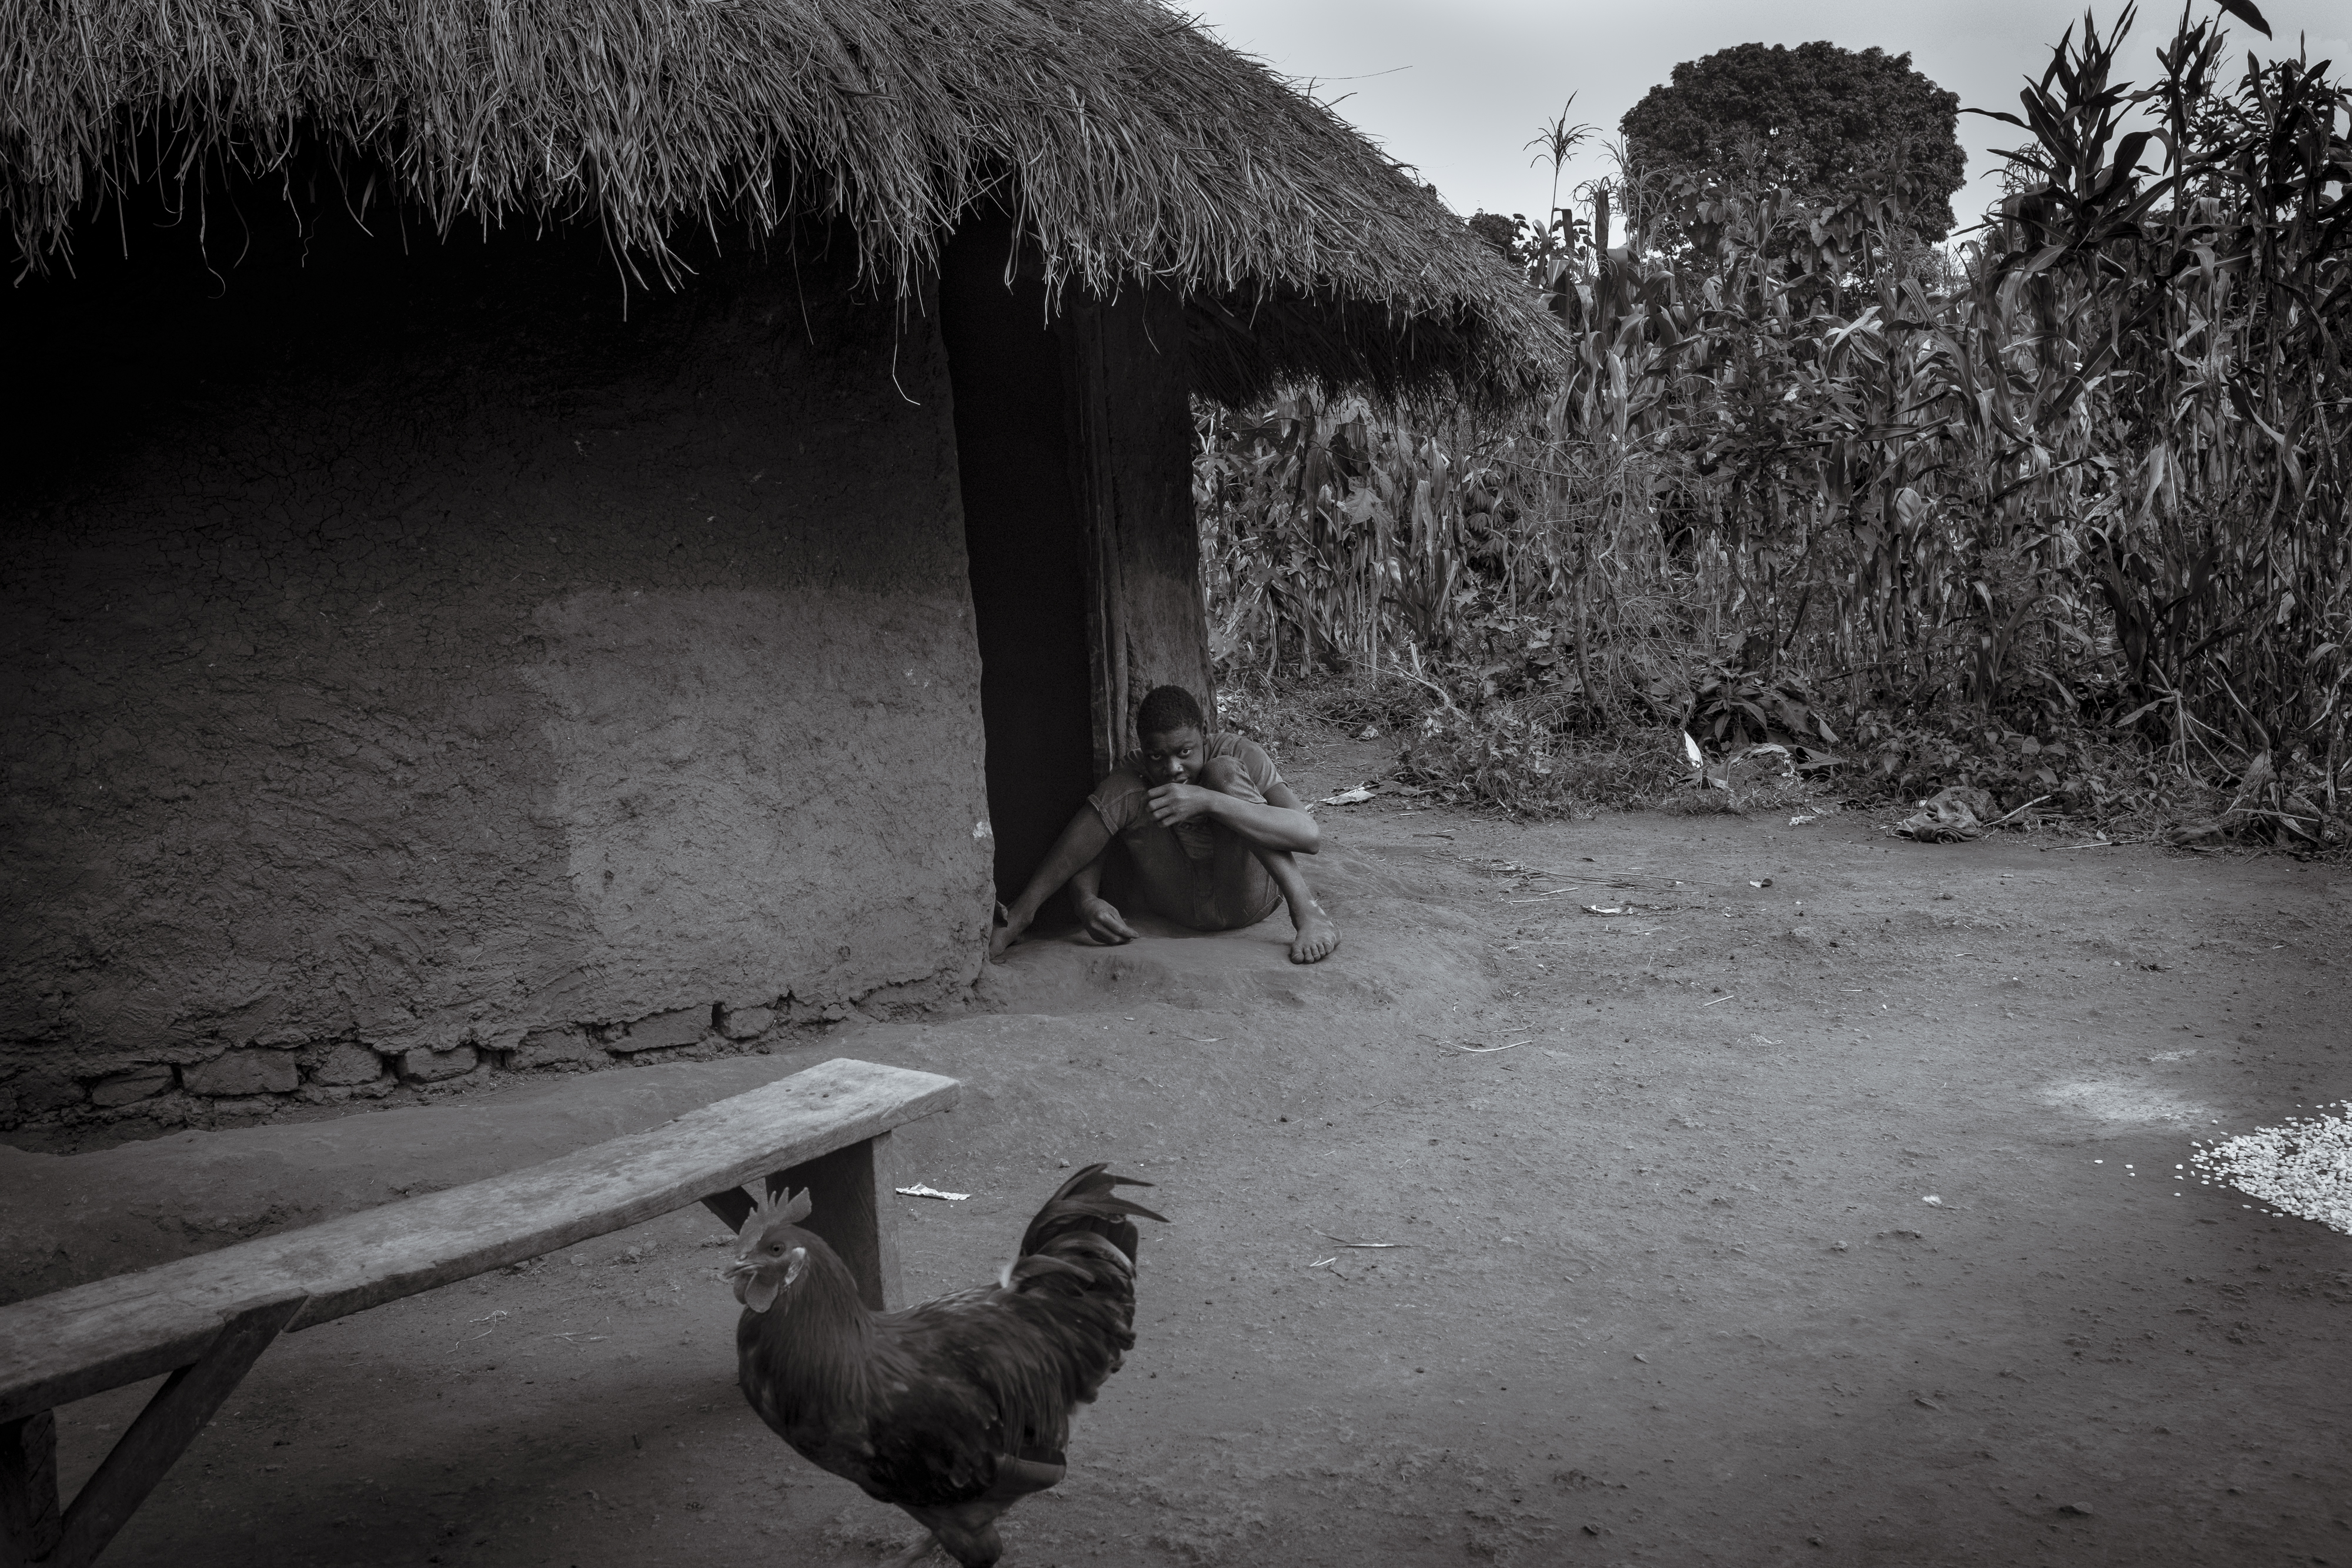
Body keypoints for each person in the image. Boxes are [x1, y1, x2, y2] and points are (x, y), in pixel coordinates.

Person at [988, 685, 1341, 965]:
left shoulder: (1239, 751)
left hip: (1245, 898)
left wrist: (1209, 801)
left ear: (1203, 733)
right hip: (1178, 904)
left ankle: (1308, 913)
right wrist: (1084, 900)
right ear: (1143, 748)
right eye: (1157, 756)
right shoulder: (1138, 770)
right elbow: (1097, 839)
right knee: (1127, 787)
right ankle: (1022, 914)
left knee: (1224, 772)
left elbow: (1309, 836)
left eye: (1184, 752)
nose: (1172, 768)